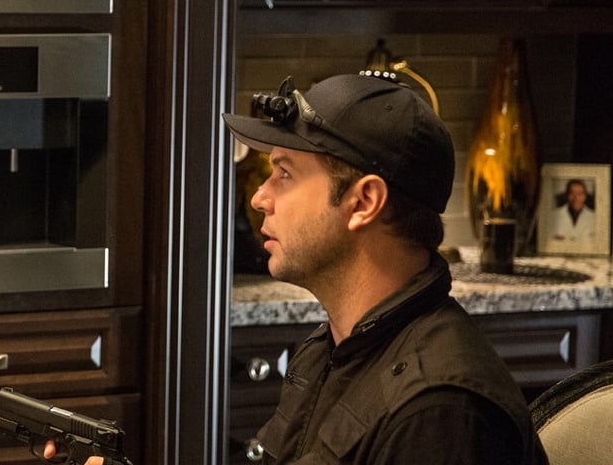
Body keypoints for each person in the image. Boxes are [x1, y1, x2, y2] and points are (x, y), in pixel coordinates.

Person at [222, 73, 548, 464]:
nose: (260, 198)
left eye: (285, 173)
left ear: (364, 202)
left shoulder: (438, 413)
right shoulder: (331, 349)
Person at [548, 178, 597, 247]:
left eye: (579, 194)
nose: (576, 198)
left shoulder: (595, 218)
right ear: (567, 195)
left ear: (585, 196)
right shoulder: (553, 216)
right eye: (572, 194)